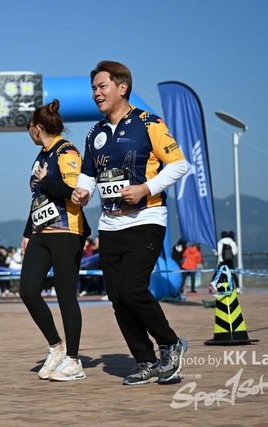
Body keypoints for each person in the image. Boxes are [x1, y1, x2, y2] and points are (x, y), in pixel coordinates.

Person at [72, 61, 188, 386]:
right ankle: (145, 361)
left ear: (122, 88)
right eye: (93, 88)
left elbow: (179, 165)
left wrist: (144, 189)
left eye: (102, 86)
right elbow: (89, 174)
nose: (96, 93)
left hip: (146, 219)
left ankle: (170, 344)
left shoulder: (149, 123)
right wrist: (82, 191)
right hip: (109, 225)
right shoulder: (95, 133)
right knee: (117, 297)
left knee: (133, 289)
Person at [20, 99, 91, 382]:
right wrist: (27, 232)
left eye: (29, 128)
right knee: (27, 290)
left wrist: (46, 180)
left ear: (37, 128)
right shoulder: (41, 155)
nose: (29, 132)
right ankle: (56, 346)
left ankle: (74, 360)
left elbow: (73, 190)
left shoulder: (66, 151)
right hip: (40, 232)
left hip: (66, 231)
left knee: (65, 295)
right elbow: (37, 197)